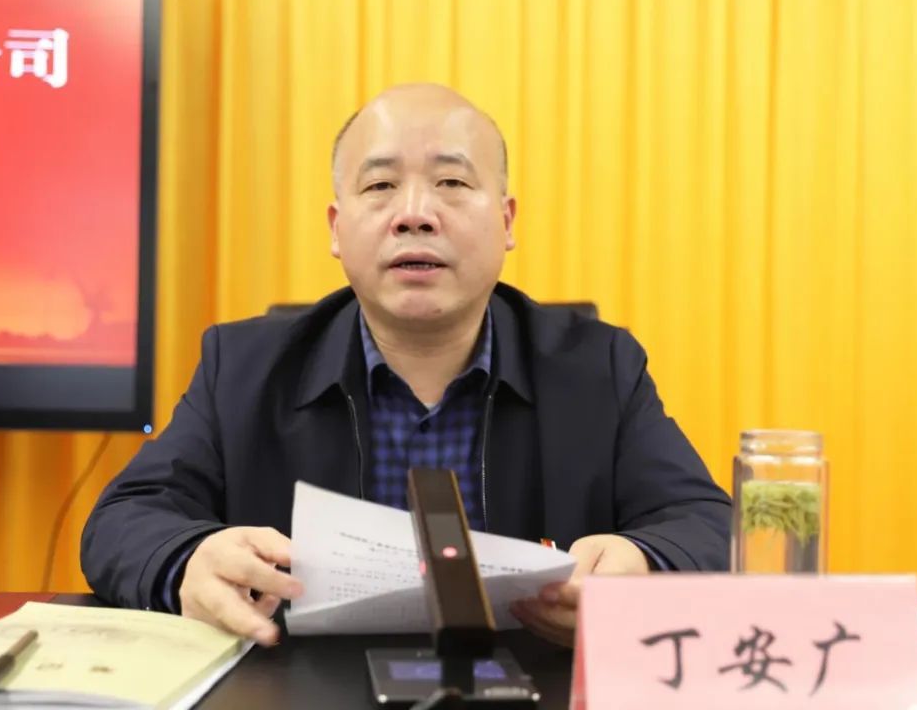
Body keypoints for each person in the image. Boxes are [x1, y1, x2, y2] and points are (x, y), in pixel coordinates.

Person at [81, 83, 731, 649]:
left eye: (452, 183)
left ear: (507, 221)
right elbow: (124, 520)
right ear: (337, 228)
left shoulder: (598, 367)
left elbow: (710, 524)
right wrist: (188, 562)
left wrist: (643, 564)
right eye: (380, 186)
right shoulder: (244, 367)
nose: (415, 214)